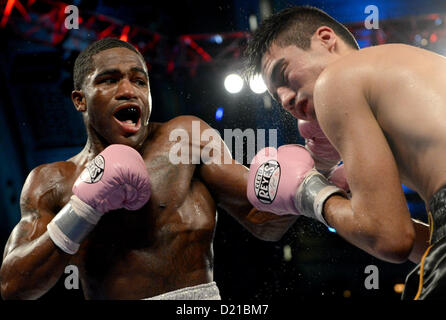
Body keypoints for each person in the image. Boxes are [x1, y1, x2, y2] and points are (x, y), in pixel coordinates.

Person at [0, 38, 297, 300]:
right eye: (109, 80)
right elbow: (13, 286)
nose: (129, 91)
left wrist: (303, 182)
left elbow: (265, 223)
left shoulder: (186, 139)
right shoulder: (53, 181)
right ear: (80, 100)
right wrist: (82, 209)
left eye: (140, 81)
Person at [243, 5, 446, 299]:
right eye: (277, 97)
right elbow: (421, 245)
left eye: (283, 73)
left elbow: (390, 239)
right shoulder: (412, 69)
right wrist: (353, 205)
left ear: (326, 39)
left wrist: (310, 193)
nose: (285, 99)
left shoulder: (336, 80)